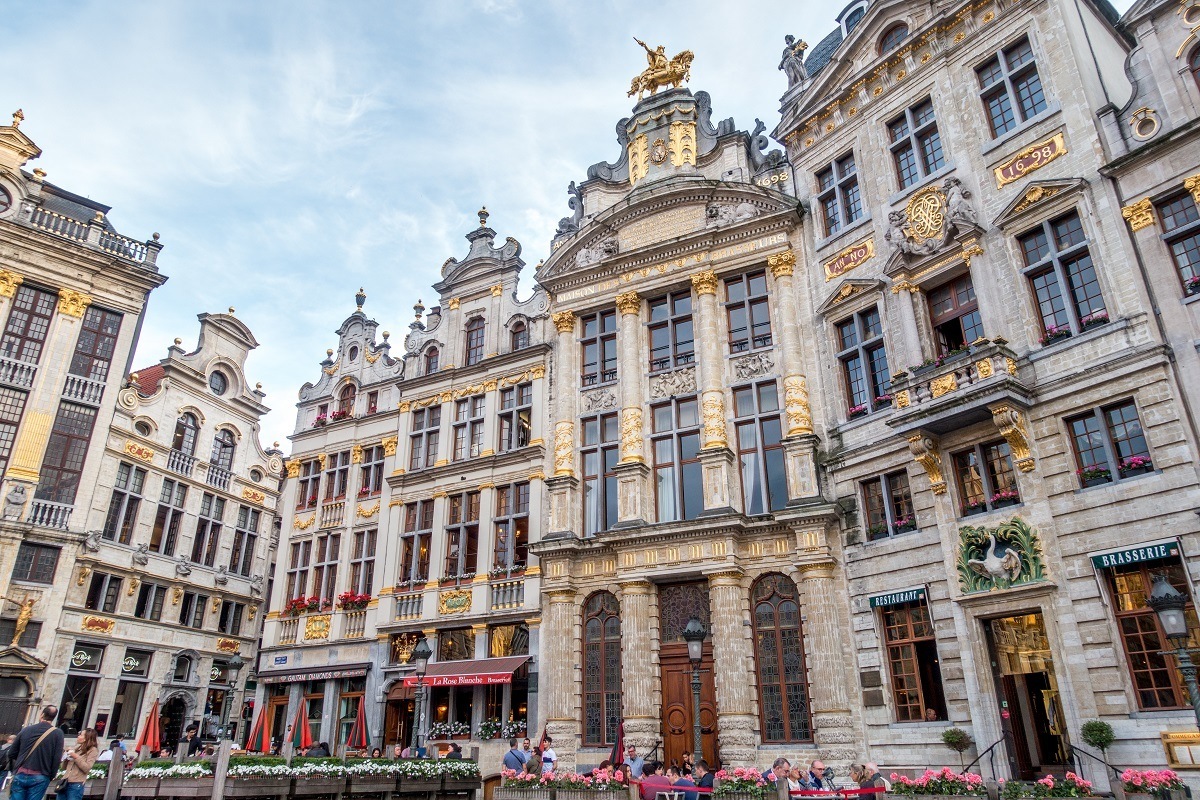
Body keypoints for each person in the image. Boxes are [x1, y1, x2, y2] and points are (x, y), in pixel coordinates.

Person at [7, 705, 65, 800]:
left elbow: (12, 753)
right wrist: (51, 776)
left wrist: (21, 761)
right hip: (41, 775)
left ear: (42, 715)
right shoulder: (58, 733)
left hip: (21, 772)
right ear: (54, 718)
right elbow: (56, 759)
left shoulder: (26, 729)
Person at [61, 729, 99, 800]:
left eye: (81, 735)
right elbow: (64, 767)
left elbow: (87, 768)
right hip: (65, 781)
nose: (78, 736)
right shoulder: (77, 748)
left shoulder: (93, 750)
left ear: (86, 738)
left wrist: (75, 756)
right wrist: (66, 756)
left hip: (76, 783)